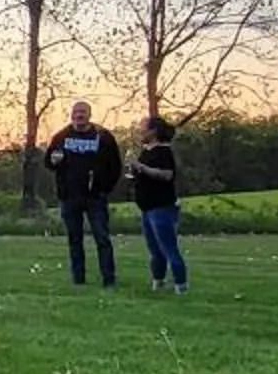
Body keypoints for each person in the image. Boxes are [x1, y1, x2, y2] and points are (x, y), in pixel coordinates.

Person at [44, 101, 120, 288]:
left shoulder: (103, 137)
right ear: (71, 115)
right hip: (70, 197)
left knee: (102, 238)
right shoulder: (61, 137)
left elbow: (115, 166)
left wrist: (104, 188)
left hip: (95, 197)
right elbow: (49, 162)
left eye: (83, 112)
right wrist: (54, 161)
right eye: (76, 112)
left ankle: (109, 279)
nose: (79, 115)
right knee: (74, 239)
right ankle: (78, 280)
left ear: (89, 115)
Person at [127, 115, 186, 293]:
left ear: (153, 131)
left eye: (142, 127)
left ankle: (181, 285)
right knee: (154, 250)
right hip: (147, 207)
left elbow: (167, 175)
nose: (139, 130)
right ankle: (158, 282)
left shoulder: (163, 152)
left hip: (162, 207)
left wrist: (140, 167)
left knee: (169, 248)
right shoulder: (147, 151)